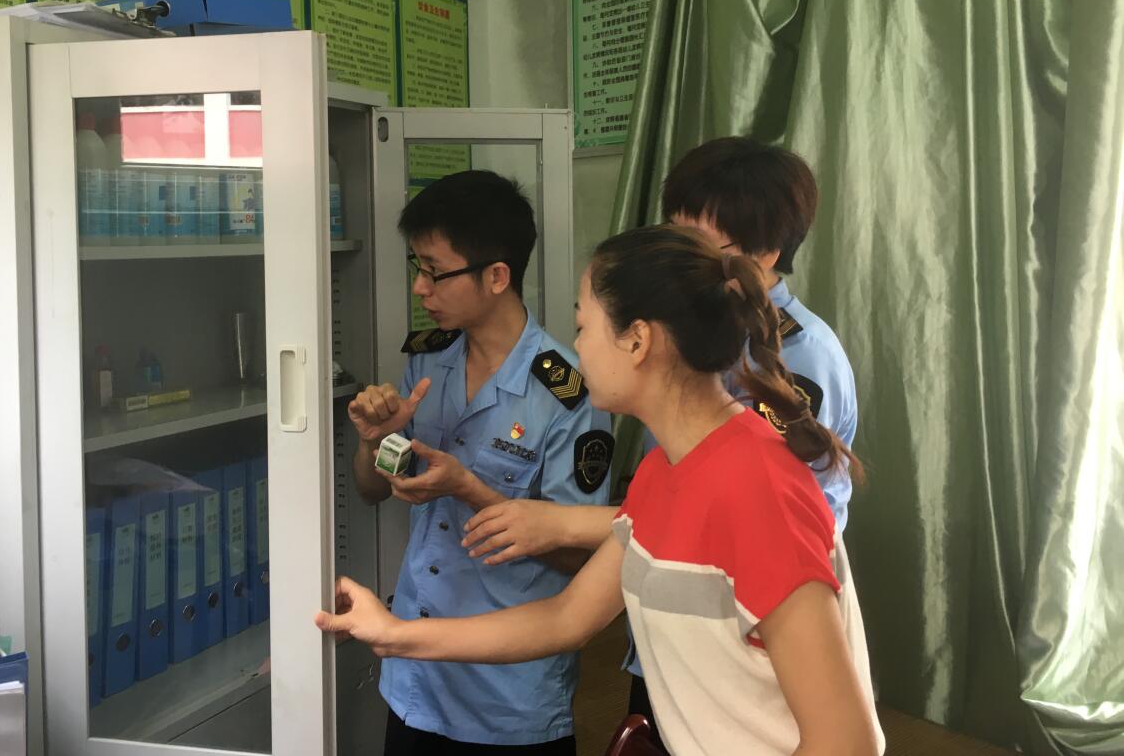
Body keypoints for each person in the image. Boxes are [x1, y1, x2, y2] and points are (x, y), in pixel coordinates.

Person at [320, 225, 883, 756]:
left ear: (637, 340)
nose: (576, 347)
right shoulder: (667, 470)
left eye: (583, 326)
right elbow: (566, 618)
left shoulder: (757, 491)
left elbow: (846, 741)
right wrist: (394, 634)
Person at [459, 138, 859, 741]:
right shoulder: (683, 333)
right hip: (673, 630)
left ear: (767, 250)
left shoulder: (797, 361)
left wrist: (563, 524)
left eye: (701, 244)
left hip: (744, 658)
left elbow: (742, 522)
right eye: (673, 234)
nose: (677, 258)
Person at [346, 169, 614, 754]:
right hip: (415, 676)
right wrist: (373, 442)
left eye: (434, 271)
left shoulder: (569, 393)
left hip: (506, 696)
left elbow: (581, 558)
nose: (420, 288)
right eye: (417, 267)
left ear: (497, 276)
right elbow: (371, 490)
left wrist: (469, 487)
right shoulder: (427, 361)